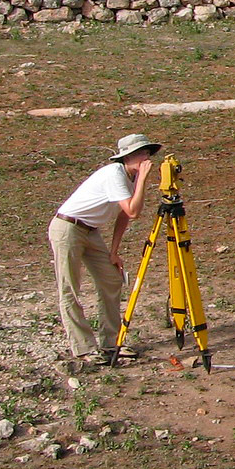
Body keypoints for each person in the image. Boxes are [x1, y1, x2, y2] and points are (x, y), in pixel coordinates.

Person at [49, 133, 161, 364]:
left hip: (91, 231)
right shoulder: (115, 174)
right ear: (127, 156)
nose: (146, 157)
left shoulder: (129, 179)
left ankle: (112, 342)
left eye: (148, 153)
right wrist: (142, 181)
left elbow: (124, 216)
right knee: (70, 287)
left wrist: (114, 251)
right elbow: (133, 211)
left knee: (111, 279)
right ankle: (83, 348)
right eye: (141, 153)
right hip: (68, 227)